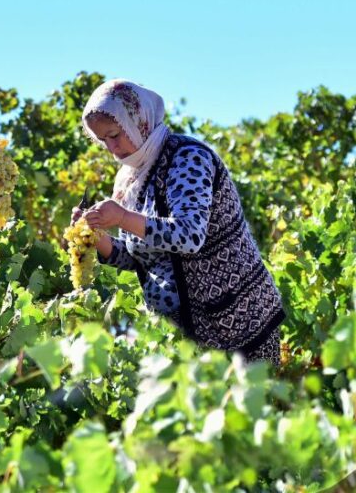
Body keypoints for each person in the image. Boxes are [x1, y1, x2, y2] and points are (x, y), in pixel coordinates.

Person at [72, 79, 284, 365]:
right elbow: (143, 257)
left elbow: (189, 236)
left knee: (246, 395)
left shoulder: (187, 158)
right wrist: (96, 235)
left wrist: (122, 217)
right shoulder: (132, 177)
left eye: (114, 135)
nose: (111, 147)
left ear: (138, 121)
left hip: (236, 322)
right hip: (184, 331)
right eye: (103, 140)